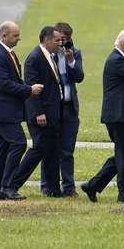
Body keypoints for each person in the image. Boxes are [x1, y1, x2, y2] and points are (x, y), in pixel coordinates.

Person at [81, 29, 124, 203]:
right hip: (117, 116)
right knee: (123, 154)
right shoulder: (116, 60)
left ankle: (93, 185)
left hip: (120, 115)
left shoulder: (119, 59)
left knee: (121, 154)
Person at [7, 25, 62, 197]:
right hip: (40, 114)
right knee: (38, 149)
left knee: (52, 150)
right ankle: (12, 184)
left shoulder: (51, 56)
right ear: (46, 40)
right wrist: (38, 112)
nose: (60, 43)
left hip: (53, 113)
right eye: (57, 40)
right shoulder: (35, 58)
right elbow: (31, 88)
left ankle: (53, 189)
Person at [0, 21, 31, 201]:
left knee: (1, 149)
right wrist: (29, 90)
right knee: (19, 143)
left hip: (4, 110)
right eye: (15, 36)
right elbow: (3, 84)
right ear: (4, 36)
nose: (19, 39)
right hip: (1, 110)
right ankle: (8, 186)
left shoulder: (6, 53)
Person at [40, 21, 84, 197]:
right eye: (58, 39)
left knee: (67, 150)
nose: (61, 43)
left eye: (65, 39)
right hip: (53, 107)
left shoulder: (73, 53)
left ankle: (68, 186)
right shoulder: (47, 55)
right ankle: (47, 185)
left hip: (69, 107)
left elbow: (79, 77)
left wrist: (71, 59)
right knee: (49, 148)